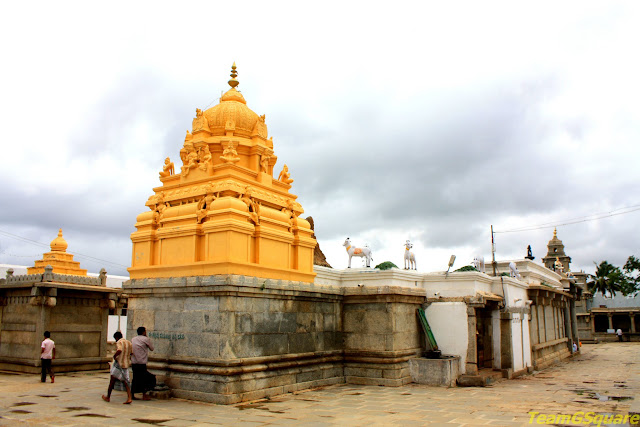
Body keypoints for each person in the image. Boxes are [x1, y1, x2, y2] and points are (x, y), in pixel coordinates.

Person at [102, 331, 132, 404]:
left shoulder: (119, 342)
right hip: (126, 364)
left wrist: (115, 356)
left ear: (116, 337)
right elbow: (132, 353)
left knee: (112, 380)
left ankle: (108, 397)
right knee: (126, 381)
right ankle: (129, 397)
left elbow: (119, 350)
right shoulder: (129, 342)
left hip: (119, 364)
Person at [131, 327, 155, 401]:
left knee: (135, 378)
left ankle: (132, 394)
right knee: (147, 378)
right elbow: (152, 348)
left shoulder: (133, 339)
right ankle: (144, 395)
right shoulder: (145, 339)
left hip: (134, 362)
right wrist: (146, 338)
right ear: (144, 332)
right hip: (141, 363)